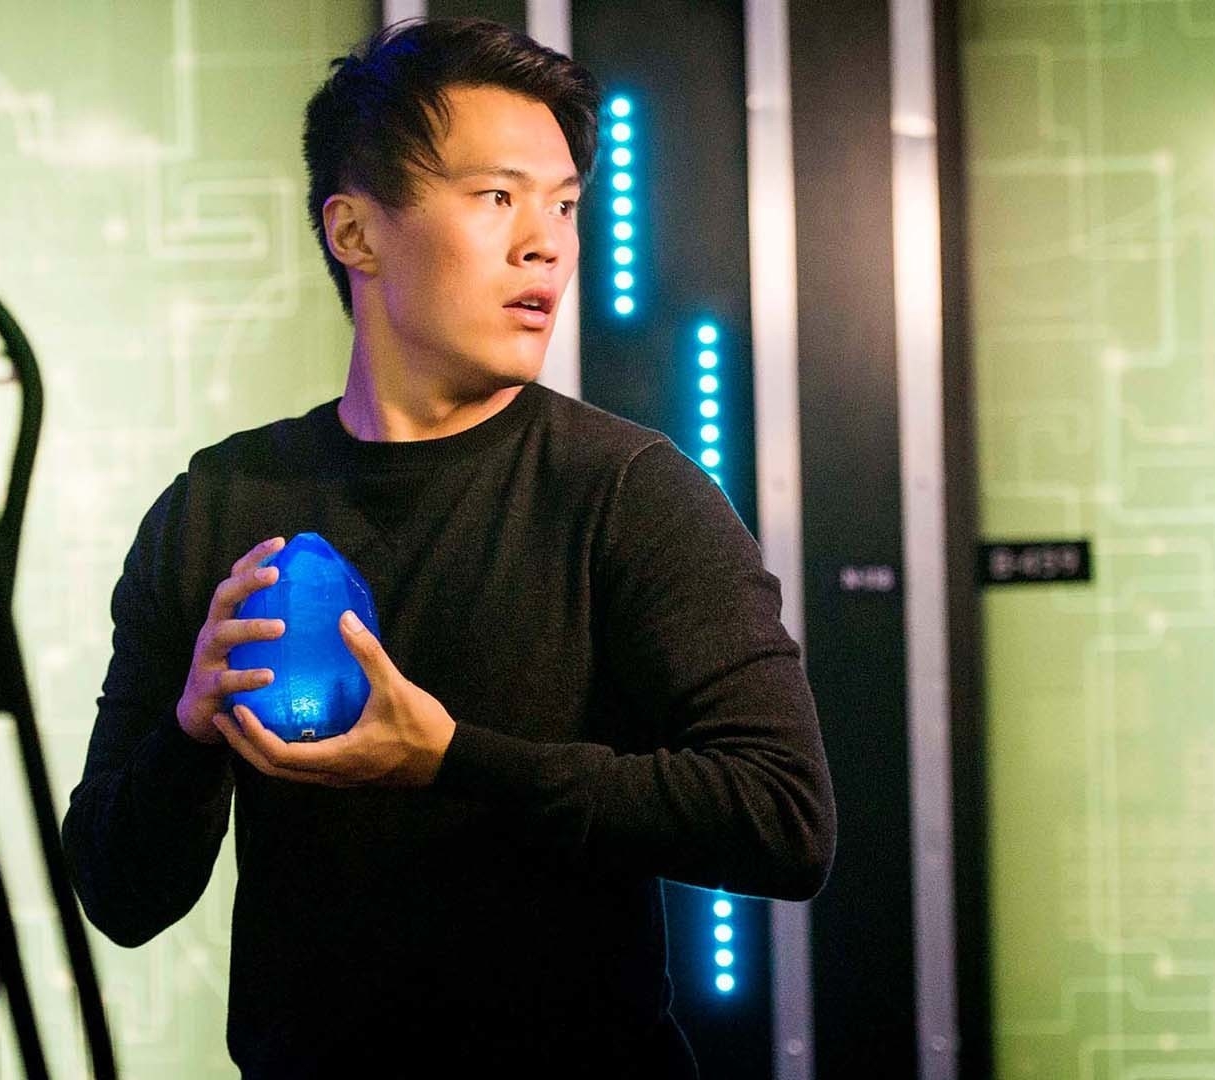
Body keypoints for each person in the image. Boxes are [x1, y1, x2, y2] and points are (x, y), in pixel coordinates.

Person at [60, 17, 836, 1077]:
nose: (546, 242)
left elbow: (785, 819)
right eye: (496, 197)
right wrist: (193, 732)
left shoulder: (628, 491)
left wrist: (452, 760)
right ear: (356, 233)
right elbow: (119, 894)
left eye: (564, 204)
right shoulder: (218, 507)